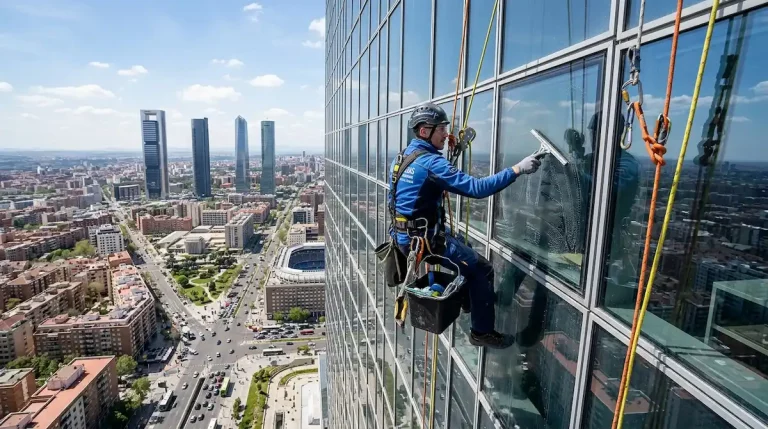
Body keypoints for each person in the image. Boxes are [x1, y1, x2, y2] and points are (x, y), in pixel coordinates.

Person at [389, 102, 542, 349]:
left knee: (465, 246)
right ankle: (482, 331)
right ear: (424, 131)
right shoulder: (431, 164)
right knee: (482, 269)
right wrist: (517, 169)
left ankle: (472, 299)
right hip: (425, 240)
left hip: (406, 237)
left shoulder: (401, 159)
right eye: (441, 129)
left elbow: (395, 199)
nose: (446, 134)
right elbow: (477, 188)